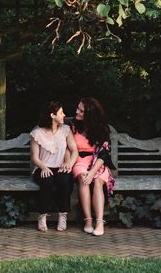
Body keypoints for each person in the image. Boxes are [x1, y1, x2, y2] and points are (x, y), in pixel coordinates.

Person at [29, 100, 78, 231]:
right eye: (61, 113)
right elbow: (34, 157)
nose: (64, 115)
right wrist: (43, 167)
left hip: (61, 167)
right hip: (42, 167)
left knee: (64, 179)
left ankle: (63, 215)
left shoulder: (65, 130)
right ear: (52, 115)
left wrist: (69, 163)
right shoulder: (37, 133)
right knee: (47, 180)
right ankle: (42, 215)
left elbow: (74, 150)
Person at [71, 97, 114, 236]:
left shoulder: (102, 129)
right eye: (77, 108)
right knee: (83, 178)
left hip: (97, 162)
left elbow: (103, 154)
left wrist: (93, 172)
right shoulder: (72, 126)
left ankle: (100, 222)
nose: (77, 112)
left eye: (81, 111)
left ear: (89, 114)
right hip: (79, 161)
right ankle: (88, 220)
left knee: (98, 181)